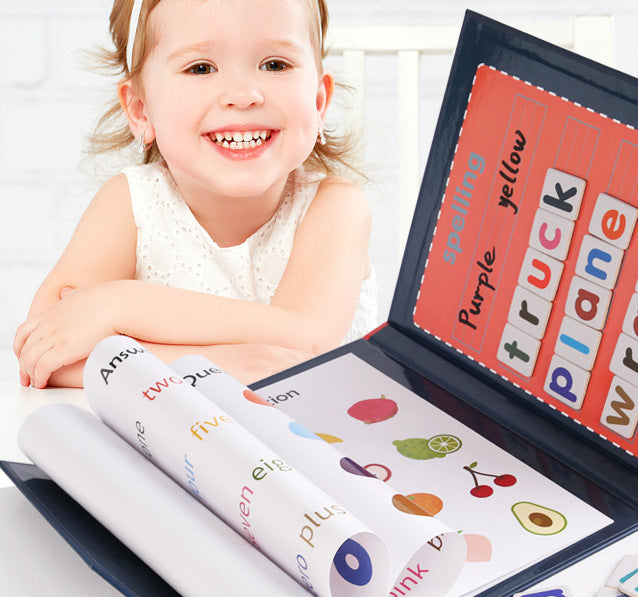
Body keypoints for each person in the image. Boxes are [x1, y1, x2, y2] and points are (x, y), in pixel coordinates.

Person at [14, 0, 377, 388]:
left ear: (319, 101)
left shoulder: (336, 206)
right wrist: (219, 363)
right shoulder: (131, 203)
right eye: (201, 68)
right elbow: (47, 352)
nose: (243, 94)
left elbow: (308, 339)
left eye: (275, 65)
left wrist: (120, 305)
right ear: (140, 110)